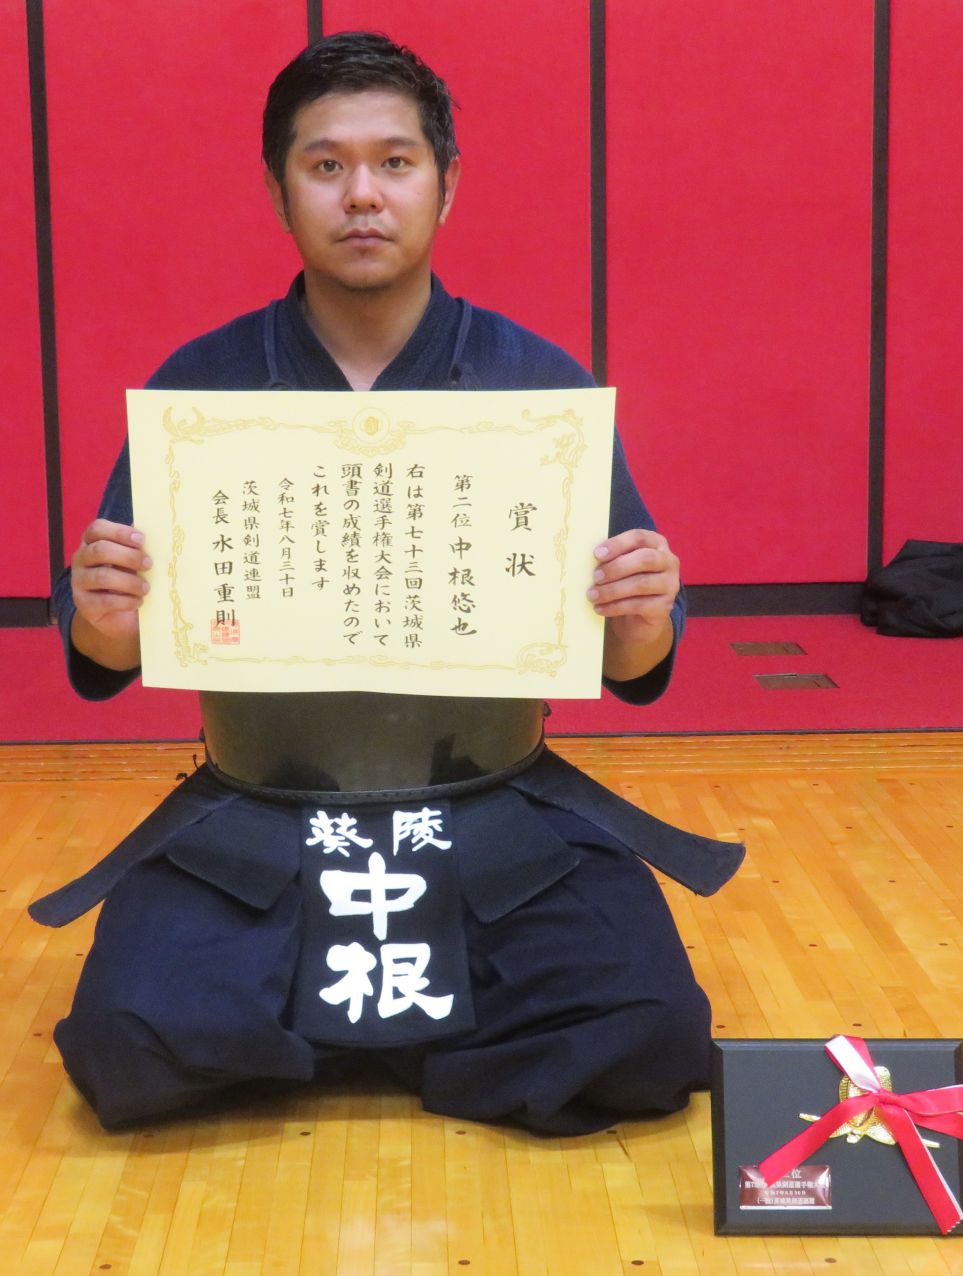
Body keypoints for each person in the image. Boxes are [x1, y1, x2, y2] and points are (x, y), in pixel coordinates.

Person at [32, 32, 742, 1135]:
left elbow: (633, 663)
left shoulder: (535, 388)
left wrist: (644, 611)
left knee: (648, 1027)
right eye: (325, 165)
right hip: (266, 809)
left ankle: (317, 1041)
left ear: (445, 185)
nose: (361, 194)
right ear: (279, 191)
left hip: (488, 802)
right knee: (130, 1037)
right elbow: (105, 656)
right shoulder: (201, 391)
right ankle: (439, 1035)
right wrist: (103, 608)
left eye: (395, 163)